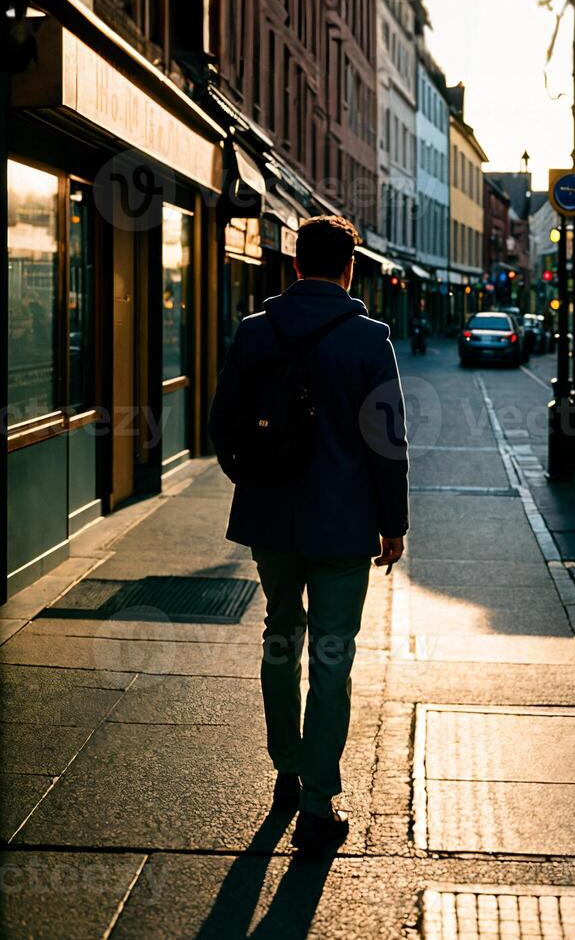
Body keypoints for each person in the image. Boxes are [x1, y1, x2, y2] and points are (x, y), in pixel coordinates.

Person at [209, 216, 409, 855]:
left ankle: (286, 769)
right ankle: (319, 804)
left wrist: (257, 479)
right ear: (350, 267)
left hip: (274, 521)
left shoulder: (253, 332)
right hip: (344, 524)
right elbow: (386, 440)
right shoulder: (369, 341)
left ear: (295, 265)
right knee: (332, 656)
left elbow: (223, 426)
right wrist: (393, 523)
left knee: (278, 634)